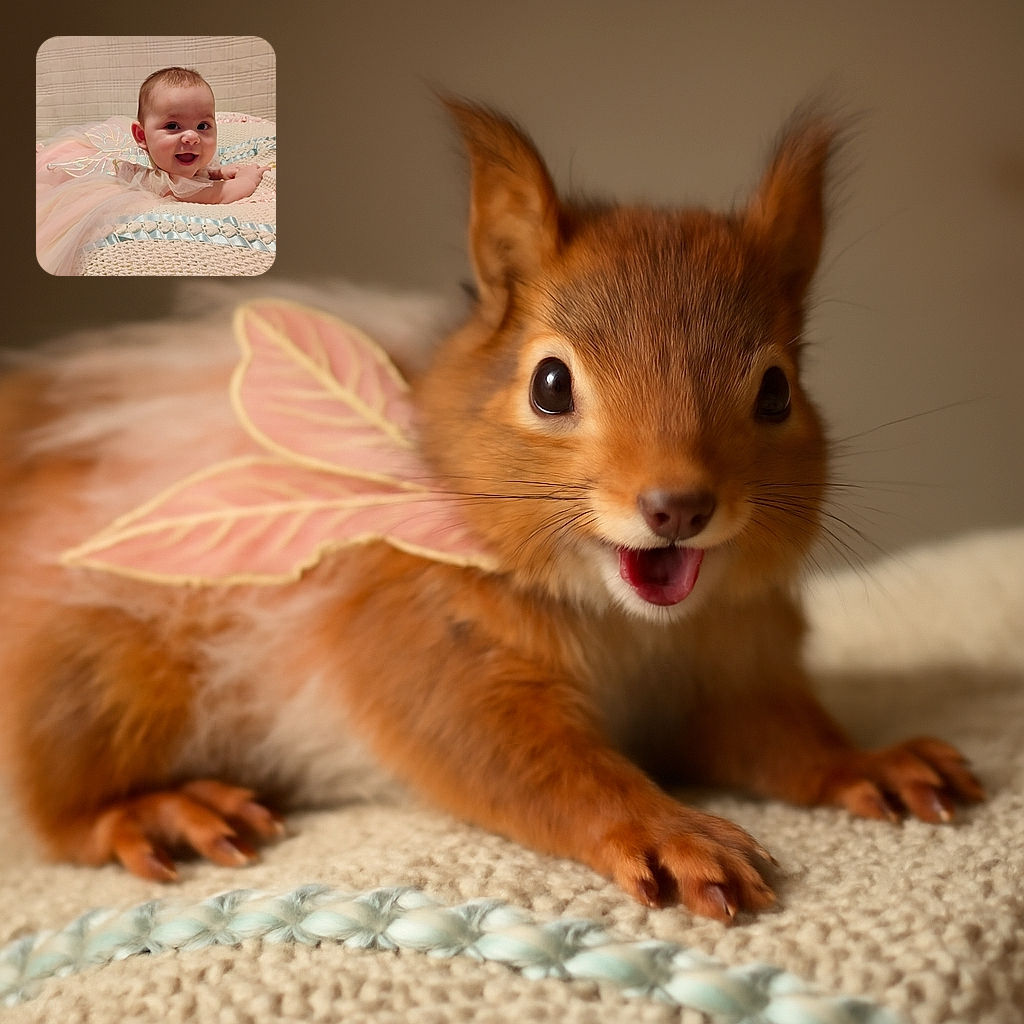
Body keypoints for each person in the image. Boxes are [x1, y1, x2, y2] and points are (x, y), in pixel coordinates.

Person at [36, 66, 268, 274]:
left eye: (203, 126)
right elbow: (218, 194)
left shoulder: (176, 157)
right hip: (89, 177)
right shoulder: (165, 181)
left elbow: (199, 171)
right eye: (172, 126)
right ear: (141, 137)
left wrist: (217, 172)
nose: (191, 136)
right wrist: (249, 177)